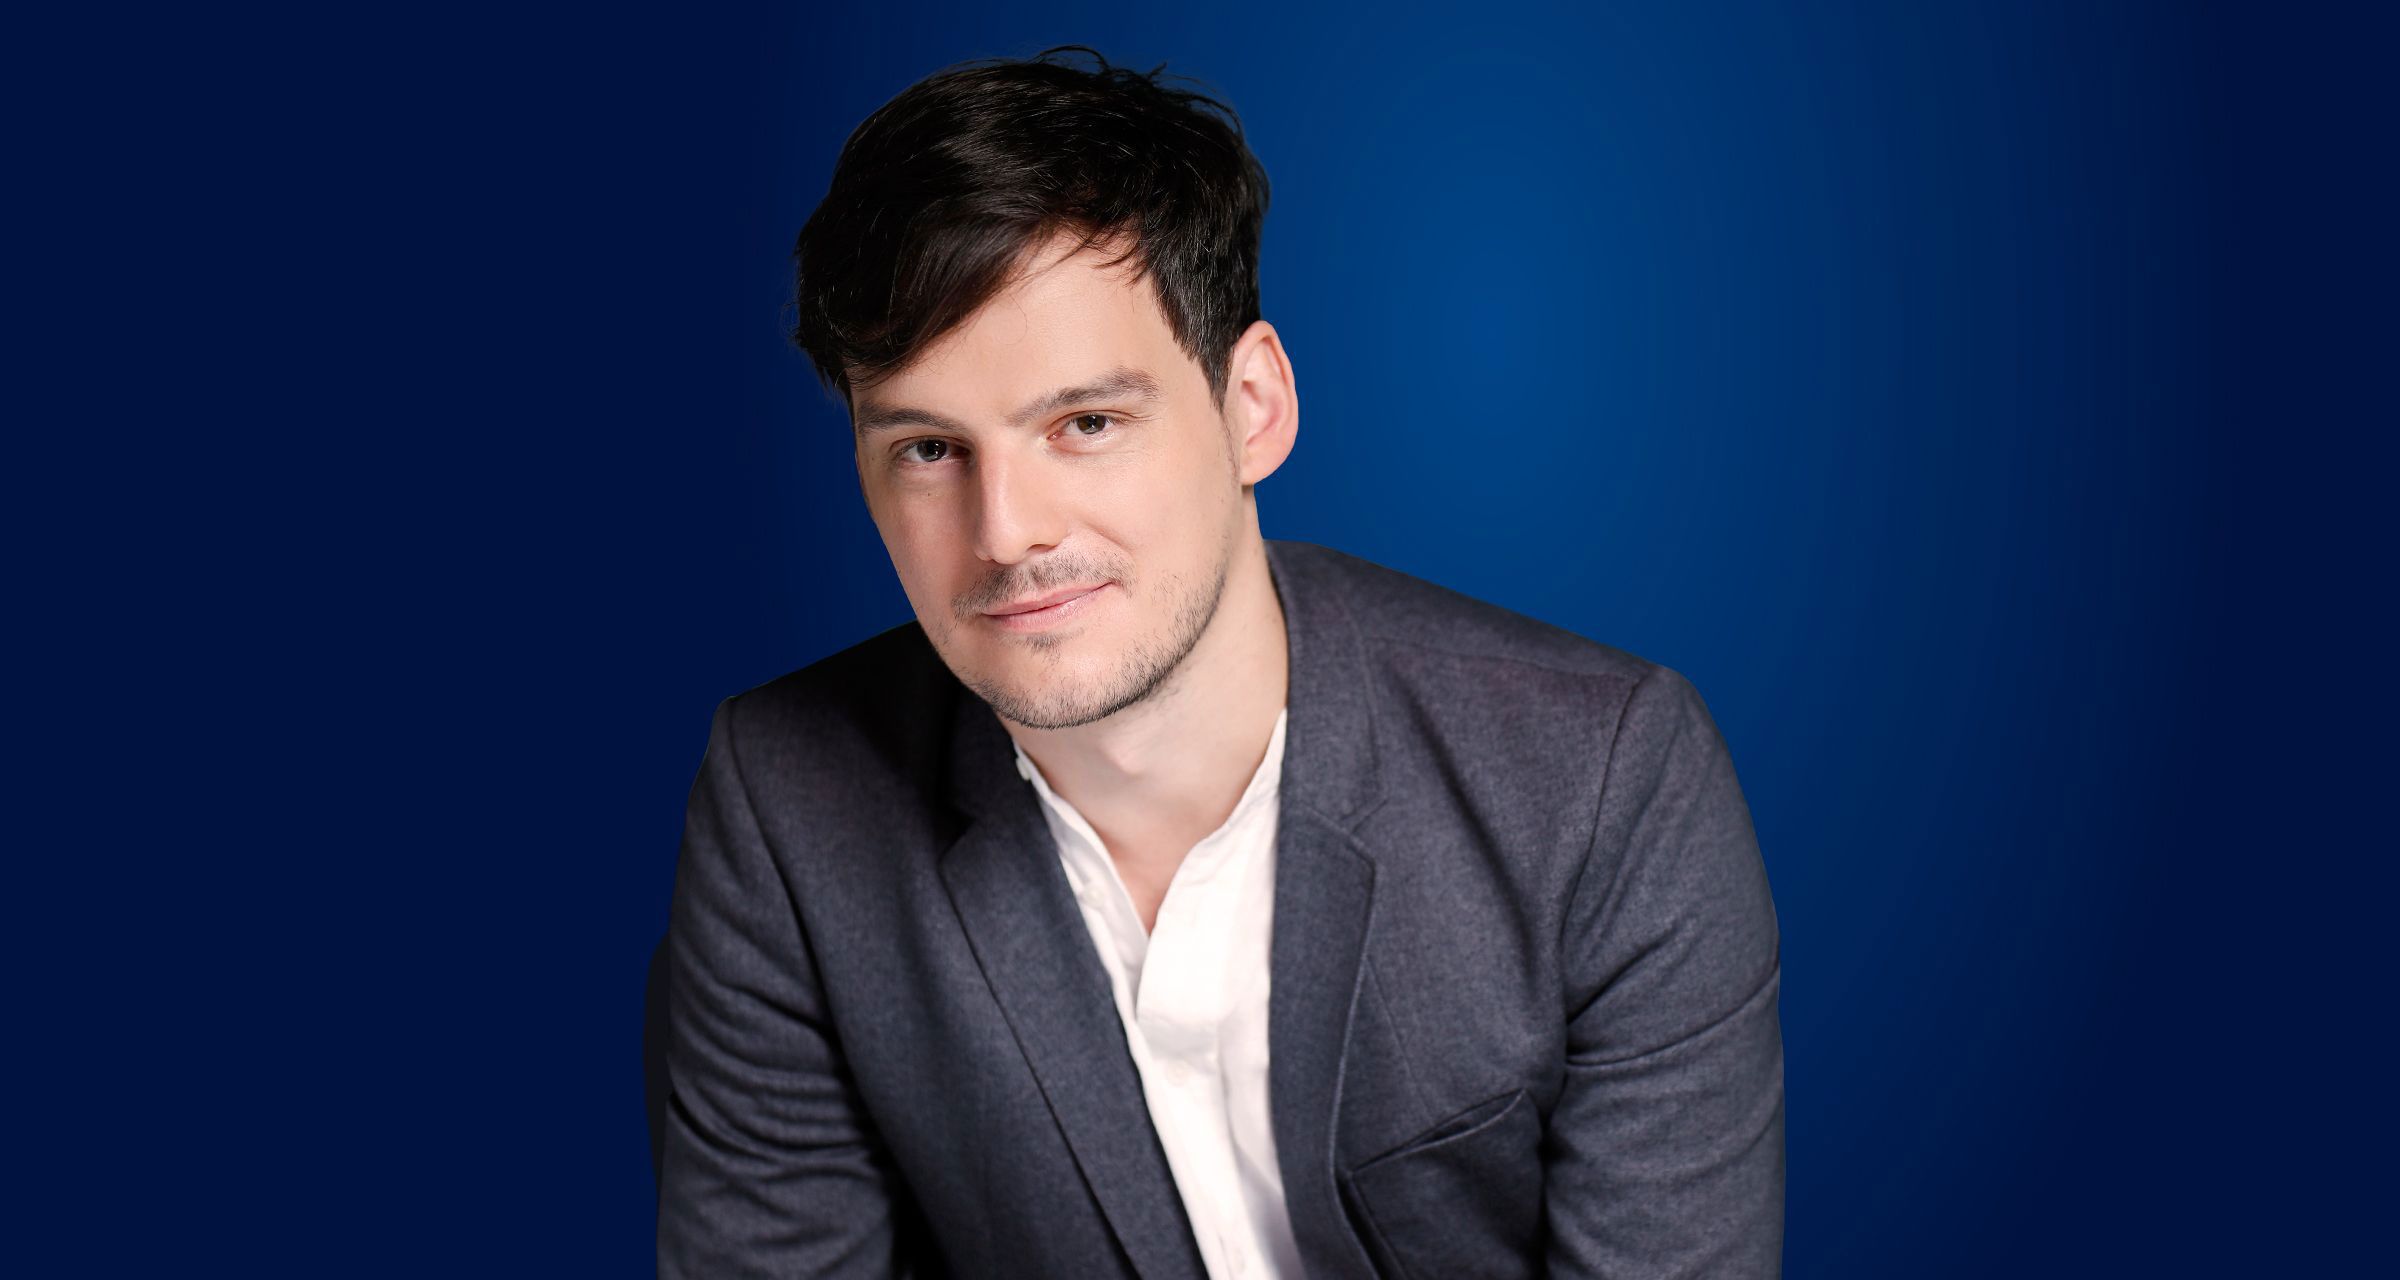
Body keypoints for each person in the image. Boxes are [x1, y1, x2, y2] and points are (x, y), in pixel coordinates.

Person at [651, 45, 1784, 1280]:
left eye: (1085, 422)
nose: (1006, 530)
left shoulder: (1601, 781)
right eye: (928, 448)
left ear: (1254, 408)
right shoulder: (785, 806)